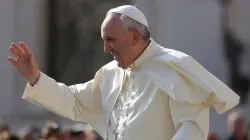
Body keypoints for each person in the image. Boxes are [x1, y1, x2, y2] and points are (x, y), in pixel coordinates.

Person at [8, 5, 240, 140]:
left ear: (134, 37)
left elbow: (192, 128)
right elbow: (75, 102)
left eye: (110, 40)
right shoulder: (109, 74)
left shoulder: (174, 66)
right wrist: (35, 77)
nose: (106, 48)